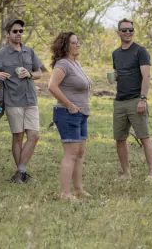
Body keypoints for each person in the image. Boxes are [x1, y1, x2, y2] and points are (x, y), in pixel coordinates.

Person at [0, 19, 45, 183]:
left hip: (30, 99)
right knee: (18, 136)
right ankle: (21, 173)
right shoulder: (2, 53)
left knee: (34, 135)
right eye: (15, 31)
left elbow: (39, 73)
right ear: (7, 34)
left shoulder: (29, 52)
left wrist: (29, 74)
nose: (19, 34)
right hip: (13, 99)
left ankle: (20, 172)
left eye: (21, 31)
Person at [47, 32, 93, 200]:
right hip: (67, 113)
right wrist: (69, 105)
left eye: (78, 42)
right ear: (66, 46)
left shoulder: (76, 63)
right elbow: (52, 86)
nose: (78, 45)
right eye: (74, 43)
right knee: (71, 154)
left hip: (81, 114)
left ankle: (78, 189)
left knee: (79, 153)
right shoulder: (63, 64)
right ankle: (65, 193)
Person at [112, 18, 152, 180]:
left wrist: (143, 99)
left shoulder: (140, 51)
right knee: (120, 138)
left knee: (144, 137)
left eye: (131, 30)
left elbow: (146, 76)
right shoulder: (115, 54)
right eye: (124, 30)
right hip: (119, 101)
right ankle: (126, 173)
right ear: (119, 33)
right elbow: (119, 73)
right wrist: (115, 76)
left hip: (136, 100)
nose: (128, 33)